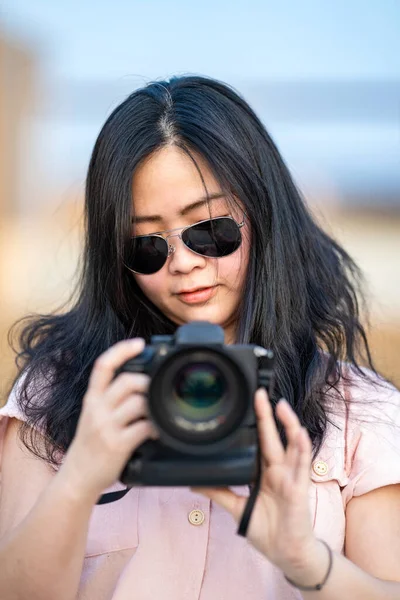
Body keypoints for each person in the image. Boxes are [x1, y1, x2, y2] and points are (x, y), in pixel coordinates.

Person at [0, 75, 399, 600]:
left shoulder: (358, 413)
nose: (184, 263)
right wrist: (78, 479)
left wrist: (306, 560)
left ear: (264, 215)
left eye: (210, 230)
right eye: (146, 245)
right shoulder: (60, 391)